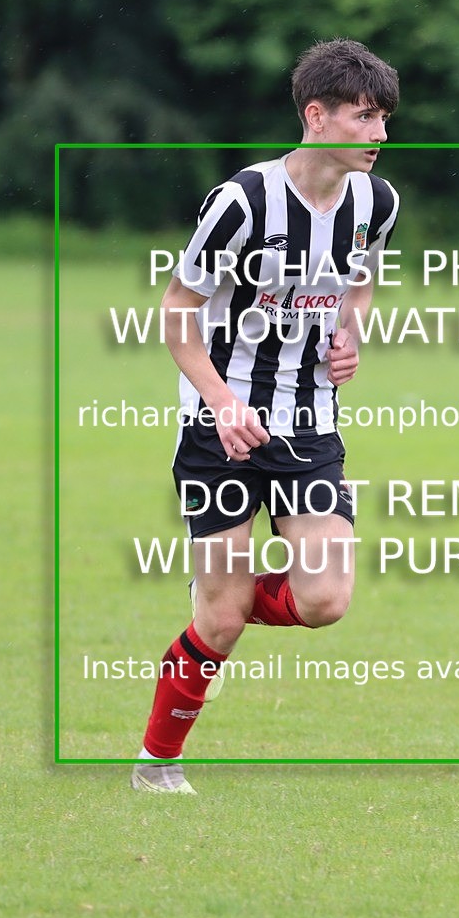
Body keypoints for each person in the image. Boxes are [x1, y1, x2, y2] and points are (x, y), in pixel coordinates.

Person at [131, 39, 399, 793]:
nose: (379, 134)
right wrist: (221, 402)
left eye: (384, 118)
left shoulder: (377, 204)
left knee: (326, 599)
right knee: (220, 624)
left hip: (310, 424)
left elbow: (360, 282)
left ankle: (231, 594)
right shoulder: (243, 203)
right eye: (364, 117)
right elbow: (176, 312)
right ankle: (157, 765)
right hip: (220, 428)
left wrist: (350, 334)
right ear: (316, 116)